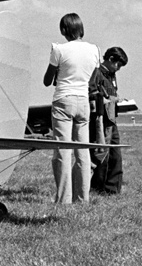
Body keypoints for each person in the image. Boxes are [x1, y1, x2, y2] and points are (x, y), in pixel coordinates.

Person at [43, 13, 100, 204]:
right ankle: (82, 198)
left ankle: (63, 199)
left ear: (64, 30)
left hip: (63, 100)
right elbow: (92, 79)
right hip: (83, 101)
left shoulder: (59, 49)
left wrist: (58, 70)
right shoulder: (94, 50)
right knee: (83, 151)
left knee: (63, 150)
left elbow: (47, 81)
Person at [90, 46, 128, 195]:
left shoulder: (112, 75)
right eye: (118, 65)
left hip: (112, 118)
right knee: (101, 154)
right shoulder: (97, 73)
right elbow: (92, 92)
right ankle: (97, 188)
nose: (118, 69)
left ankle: (112, 189)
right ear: (111, 59)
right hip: (101, 119)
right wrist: (105, 99)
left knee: (115, 155)